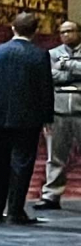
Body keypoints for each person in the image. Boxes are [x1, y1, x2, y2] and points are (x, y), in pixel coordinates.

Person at [0, 12, 54, 225]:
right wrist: (47, 118)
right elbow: (45, 90)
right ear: (35, 31)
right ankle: (15, 211)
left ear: (12, 27)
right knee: (22, 165)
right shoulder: (39, 55)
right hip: (27, 119)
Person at [46, 20, 81, 209]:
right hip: (58, 111)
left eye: (70, 31)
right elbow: (50, 76)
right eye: (62, 32)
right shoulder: (52, 54)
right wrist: (75, 76)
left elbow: (59, 75)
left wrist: (66, 66)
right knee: (56, 156)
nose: (66, 35)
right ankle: (51, 195)